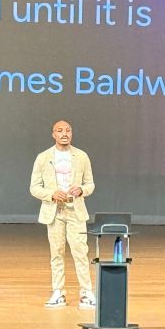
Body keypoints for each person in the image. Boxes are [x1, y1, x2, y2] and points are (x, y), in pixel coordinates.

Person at [29, 119, 96, 308]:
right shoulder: (43, 157)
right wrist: (51, 194)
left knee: (80, 252)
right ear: (53, 134)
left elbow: (90, 183)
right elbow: (34, 188)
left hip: (75, 211)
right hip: (55, 211)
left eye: (68, 130)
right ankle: (58, 292)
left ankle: (87, 293)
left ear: (72, 133)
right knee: (56, 253)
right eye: (60, 131)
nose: (64, 133)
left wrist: (81, 190)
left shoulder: (81, 156)